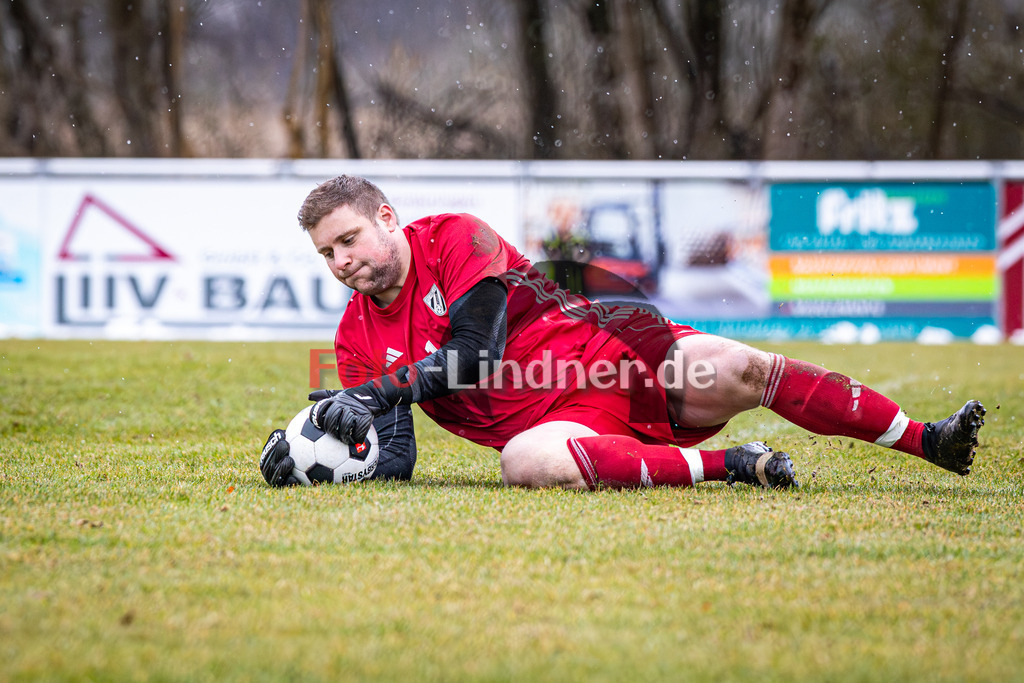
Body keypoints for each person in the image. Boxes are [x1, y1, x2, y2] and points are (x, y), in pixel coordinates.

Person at [260, 175, 986, 490]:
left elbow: (472, 355)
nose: (342, 261)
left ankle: (932, 440)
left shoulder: (455, 234)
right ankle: (734, 466)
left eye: (349, 239)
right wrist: (314, 442)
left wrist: (374, 390)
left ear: (386, 217)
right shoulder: (354, 334)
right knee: (524, 465)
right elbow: (393, 457)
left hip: (618, 355)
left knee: (738, 367)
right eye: (327, 253)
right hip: (556, 424)